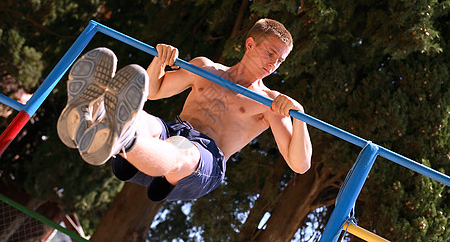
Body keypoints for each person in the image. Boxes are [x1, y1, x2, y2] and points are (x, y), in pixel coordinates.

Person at [57, 18, 312, 202]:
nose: (273, 64)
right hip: (169, 134)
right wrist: (159, 60)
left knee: (183, 151)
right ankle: (93, 117)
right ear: (250, 44)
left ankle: (120, 135)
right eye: (270, 53)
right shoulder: (205, 68)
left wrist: (300, 117)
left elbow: (299, 164)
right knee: (145, 119)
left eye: (280, 60)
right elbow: (153, 91)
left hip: (205, 159)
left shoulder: (271, 102)